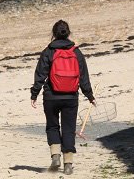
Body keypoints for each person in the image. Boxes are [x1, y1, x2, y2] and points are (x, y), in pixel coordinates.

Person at [30, 20, 95, 175]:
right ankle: (68, 164)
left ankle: (55, 155)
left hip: (51, 96)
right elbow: (83, 77)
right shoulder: (76, 52)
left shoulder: (48, 51)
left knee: (52, 126)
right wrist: (89, 95)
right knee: (68, 129)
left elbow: (40, 74)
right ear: (68, 33)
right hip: (71, 97)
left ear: (53, 33)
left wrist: (34, 94)